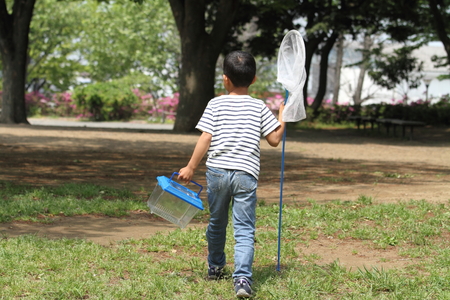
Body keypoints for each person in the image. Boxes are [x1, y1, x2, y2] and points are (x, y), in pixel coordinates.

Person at [178, 50, 285, 298]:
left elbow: (206, 136)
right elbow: (274, 140)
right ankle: (243, 279)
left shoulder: (216, 104)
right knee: (244, 227)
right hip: (246, 173)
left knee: (217, 222)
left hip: (217, 173)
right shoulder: (258, 106)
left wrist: (191, 166)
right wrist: (283, 116)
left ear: (225, 79)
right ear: (254, 79)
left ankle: (215, 267)